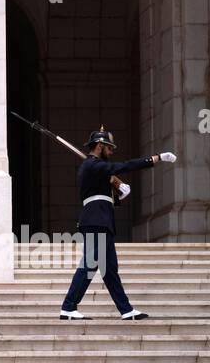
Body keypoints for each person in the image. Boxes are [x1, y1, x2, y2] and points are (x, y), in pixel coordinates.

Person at [59, 128, 176, 321]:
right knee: (90, 264)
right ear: (99, 146)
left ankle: (126, 309)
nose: (111, 152)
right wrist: (156, 158)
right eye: (109, 148)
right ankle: (68, 307)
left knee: (109, 270)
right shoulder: (92, 165)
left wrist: (120, 190)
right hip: (96, 220)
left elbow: (105, 192)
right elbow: (124, 166)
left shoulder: (96, 169)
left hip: (102, 220)